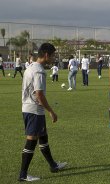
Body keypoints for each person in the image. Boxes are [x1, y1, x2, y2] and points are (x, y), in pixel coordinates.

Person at [19, 43, 67, 182]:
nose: (53, 58)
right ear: (46, 55)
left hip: (29, 107)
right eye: (52, 55)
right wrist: (51, 111)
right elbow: (39, 94)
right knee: (32, 140)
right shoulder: (39, 71)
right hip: (34, 109)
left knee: (43, 136)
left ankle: (53, 165)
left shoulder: (31, 66)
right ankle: (23, 174)